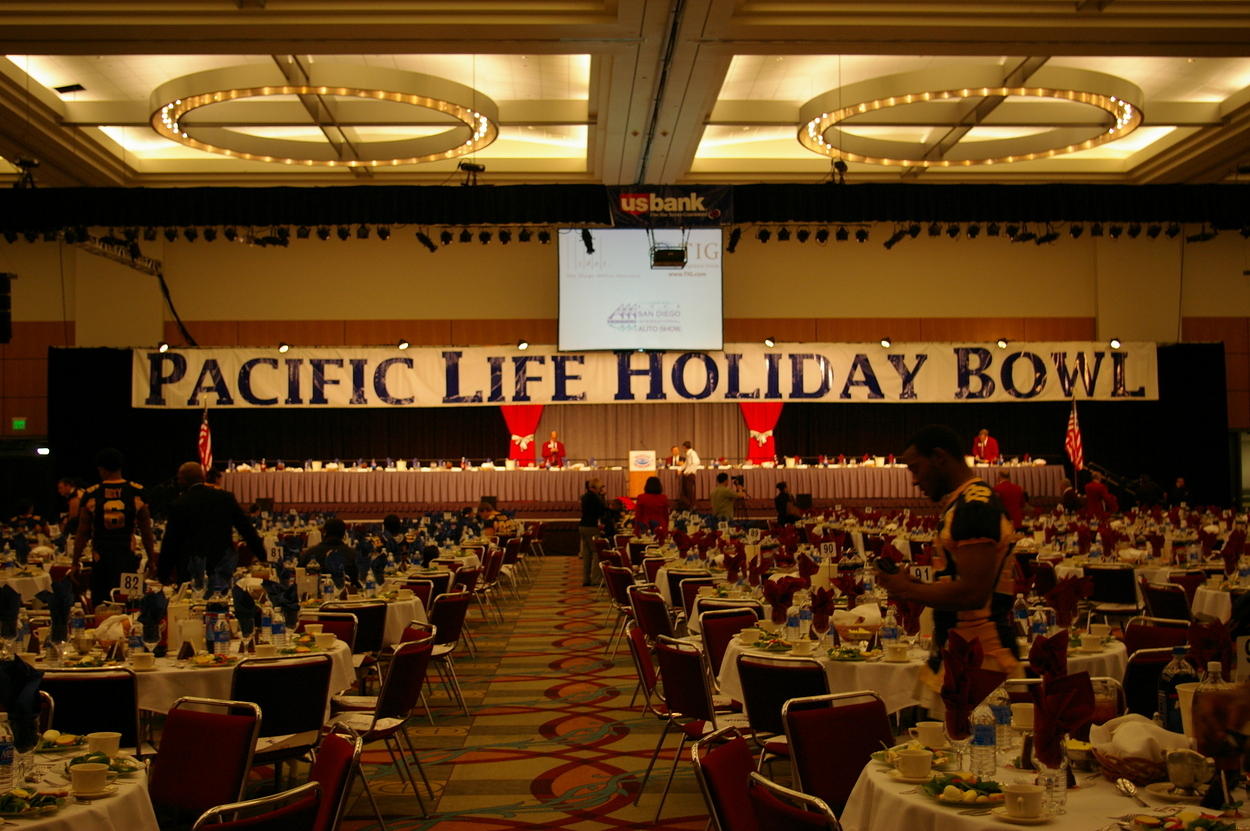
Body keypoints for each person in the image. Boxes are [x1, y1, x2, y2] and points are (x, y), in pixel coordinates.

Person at [875, 425, 1020, 683]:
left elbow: (973, 594)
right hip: (961, 654)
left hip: (982, 661)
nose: (915, 480)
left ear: (939, 458)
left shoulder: (974, 507)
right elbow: (964, 584)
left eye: (916, 468)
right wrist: (917, 586)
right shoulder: (965, 501)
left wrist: (907, 590)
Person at [159, 461, 265, 592]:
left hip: (190, 568)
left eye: (179, 479)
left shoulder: (179, 504)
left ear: (183, 480)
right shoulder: (225, 498)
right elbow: (246, 529)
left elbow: (170, 542)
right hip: (221, 563)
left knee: (190, 601)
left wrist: (163, 575)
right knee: (221, 599)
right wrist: (262, 556)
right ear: (203, 477)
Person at [72, 448, 158, 602]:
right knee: (130, 603)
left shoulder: (91, 494)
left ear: (101, 468)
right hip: (127, 556)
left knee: (101, 604)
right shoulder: (137, 491)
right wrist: (151, 560)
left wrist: (75, 562)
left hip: (101, 558)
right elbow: (146, 531)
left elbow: (82, 532)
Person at [301, 518, 357, 587]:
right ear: (344, 534)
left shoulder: (309, 553)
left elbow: (299, 577)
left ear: (324, 532)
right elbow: (357, 581)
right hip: (347, 592)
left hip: (313, 592)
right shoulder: (352, 554)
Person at [578, 478, 607, 586]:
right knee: (596, 552)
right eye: (600, 488)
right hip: (591, 527)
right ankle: (595, 579)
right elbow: (601, 511)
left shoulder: (584, 496)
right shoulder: (595, 498)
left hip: (582, 526)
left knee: (586, 554)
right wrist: (603, 497)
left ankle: (586, 579)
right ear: (596, 487)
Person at [678, 440, 700, 510]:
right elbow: (686, 464)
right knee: (686, 491)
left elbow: (696, 462)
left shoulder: (692, 453)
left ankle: (692, 505)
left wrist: (687, 471)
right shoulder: (688, 454)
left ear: (685, 447)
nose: (683, 449)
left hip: (690, 474)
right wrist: (680, 469)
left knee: (690, 491)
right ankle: (688, 505)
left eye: (683, 448)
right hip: (687, 474)